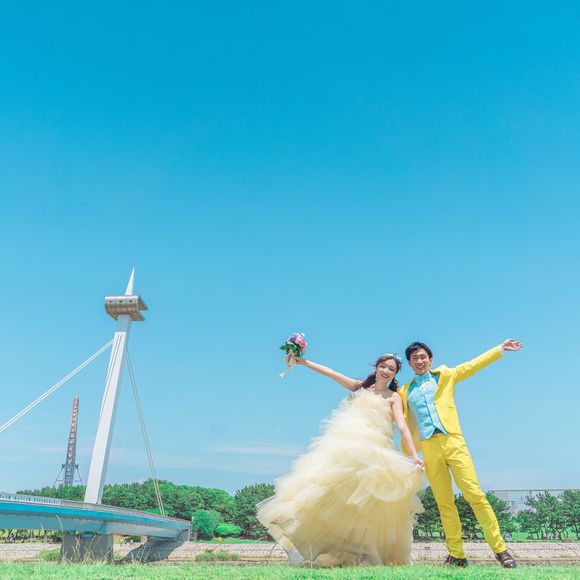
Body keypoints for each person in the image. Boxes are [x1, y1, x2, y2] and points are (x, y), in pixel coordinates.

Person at [257, 353, 424, 567]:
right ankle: (293, 518)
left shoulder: (393, 397)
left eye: (391, 369)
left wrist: (414, 457)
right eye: (383, 366)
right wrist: (303, 362)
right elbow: (331, 373)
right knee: (329, 490)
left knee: (368, 504)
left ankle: (365, 554)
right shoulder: (359, 387)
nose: (386, 371)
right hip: (348, 446)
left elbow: (401, 426)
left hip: (376, 451)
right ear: (376, 368)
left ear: (395, 374)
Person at [398, 339, 523, 569]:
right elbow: (389, 406)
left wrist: (500, 349)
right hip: (429, 447)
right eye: (414, 358)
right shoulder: (404, 391)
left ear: (430, 359)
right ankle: (456, 554)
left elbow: (472, 365)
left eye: (423, 357)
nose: (419, 361)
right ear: (409, 363)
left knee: (475, 495)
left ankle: (500, 550)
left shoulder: (445, 376)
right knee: (444, 502)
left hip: (453, 441)